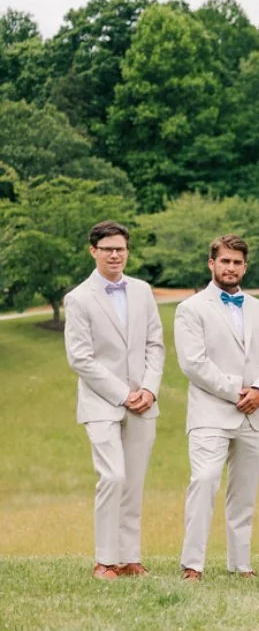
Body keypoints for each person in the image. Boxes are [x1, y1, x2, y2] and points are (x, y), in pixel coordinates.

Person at [174, 235, 259, 581]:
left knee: (244, 493)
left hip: (255, 415)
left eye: (237, 262)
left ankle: (241, 563)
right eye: (225, 261)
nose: (231, 267)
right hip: (211, 413)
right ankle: (193, 564)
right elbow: (193, 363)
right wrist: (238, 391)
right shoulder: (191, 309)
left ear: (245, 267)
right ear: (212, 263)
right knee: (204, 481)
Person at [63, 220, 164, 580]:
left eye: (120, 249)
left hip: (144, 402)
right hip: (101, 403)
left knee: (133, 482)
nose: (115, 255)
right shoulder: (78, 298)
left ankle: (129, 557)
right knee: (113, 476)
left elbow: (155, 344)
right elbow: (80, 358)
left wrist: (149, 389)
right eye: (107, 249)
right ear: (93, 251)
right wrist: (123, 395)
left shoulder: (142, 290)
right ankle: (104, 561)